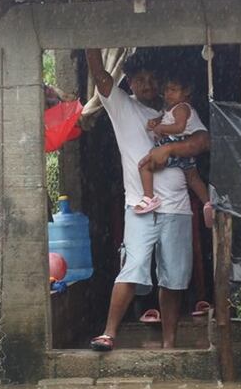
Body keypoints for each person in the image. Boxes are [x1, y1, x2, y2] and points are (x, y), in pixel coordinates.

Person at [84, 49, 211, 351]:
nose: (147, 85)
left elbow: (203, 141)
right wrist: (89, 43)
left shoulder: (178, 112)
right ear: (128, 82)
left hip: (177, 209)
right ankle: (109, 334)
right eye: (140, 80)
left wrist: (169, 149)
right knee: (133, 267)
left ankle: (169, 343)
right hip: (140, 208)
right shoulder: (122, 106)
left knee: (173, 279)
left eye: (153, 80)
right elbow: (100, 75)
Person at [136, 74, 208, 215]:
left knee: (145, 166)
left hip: (174, 144)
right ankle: (207, 203)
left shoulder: (181, 108)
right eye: (166, 90)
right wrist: (156, 121)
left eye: (173, 90)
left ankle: (148, 198)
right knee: (193, 178)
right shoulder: (171, 108)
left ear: (186, 91)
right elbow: (165, 117)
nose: (168, 94)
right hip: (184, 150)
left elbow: (179, 127)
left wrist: (161, 128)